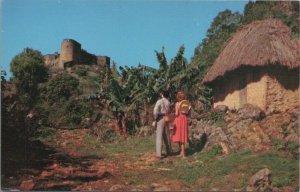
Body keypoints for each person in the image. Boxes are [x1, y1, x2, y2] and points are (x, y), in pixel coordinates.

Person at [153, 90, 172, 160]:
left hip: (160, 118)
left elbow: (155, 111)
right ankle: (169, 151)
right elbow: (169, 110)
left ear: (162, 94)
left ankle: (159, 154)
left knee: (159, 136)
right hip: (166, 118)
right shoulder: (168, 102)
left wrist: (155, 118)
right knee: (166, 135)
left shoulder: (159, 101)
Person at [172, 91, 190, 158]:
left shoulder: (177, 104)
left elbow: (176, 114)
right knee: (183, 135)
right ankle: (182, 152)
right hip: (184, 119)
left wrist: (173, 115)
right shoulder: (186, 103)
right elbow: (188, 112)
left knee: (179, 136)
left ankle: (183, 153)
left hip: (179, 119)